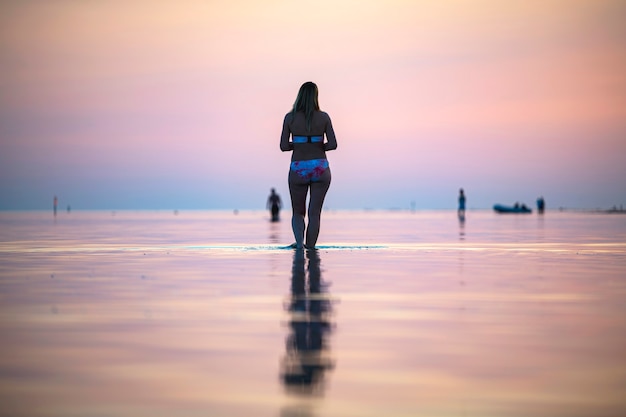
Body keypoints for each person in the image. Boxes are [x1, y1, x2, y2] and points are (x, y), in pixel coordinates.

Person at [280, 82, 337, 249]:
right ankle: (311, 248)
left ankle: (299, 245)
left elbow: (283, 146)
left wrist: (300, 145)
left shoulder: (290, 118)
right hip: (320, 167)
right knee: (314, 213)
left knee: (298, 212)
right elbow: (333, 144)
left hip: (299, 168)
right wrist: (317, 147)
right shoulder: (324, 117)